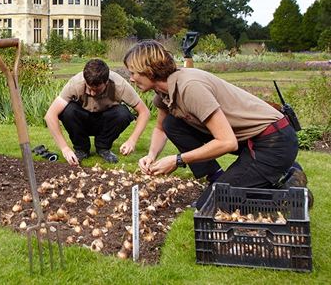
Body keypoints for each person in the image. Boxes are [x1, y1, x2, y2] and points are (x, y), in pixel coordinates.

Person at [123, 40, 302, 209]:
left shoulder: (190, 87)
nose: (131, 79)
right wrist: (151, 155)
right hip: (249, 139)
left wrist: (178, 160)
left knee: (215, 205)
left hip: (273, 141)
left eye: (133, 72)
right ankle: (218, 177)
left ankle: (289, 192)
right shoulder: (164, 93)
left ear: (149, 70)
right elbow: (162, 128)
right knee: (172, 123)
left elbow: (227, 142)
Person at [44, 59, 150, 166]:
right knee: (68, 110)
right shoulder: (75, 83)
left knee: (123, 113)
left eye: (97, 90)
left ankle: (103, 148)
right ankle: (81, 149)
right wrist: (64, 148)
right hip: (82, 121)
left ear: (106, 82)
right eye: (90, 88)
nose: (92, 93)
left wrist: (132, 140)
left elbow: (144, 112)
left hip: (106, 121)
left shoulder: (119, 85)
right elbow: (50, 115)